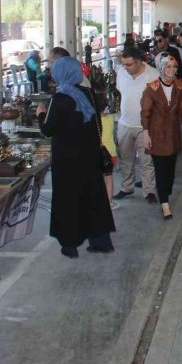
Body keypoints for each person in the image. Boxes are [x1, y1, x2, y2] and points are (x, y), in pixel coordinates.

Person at [36, 57, 115, 257]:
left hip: (67, 160)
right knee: (93, 197)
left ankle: (70, 244)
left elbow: (48, 129)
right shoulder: (88, 94)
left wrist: (40, 114)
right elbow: (95, 121)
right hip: (89, 156)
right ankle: (100, 240)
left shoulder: (59, 99)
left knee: (68, 199)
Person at [140, 54, 182, 220]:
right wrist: (146, 134)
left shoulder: (180, 86)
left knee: (170, 170)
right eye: (168, 67)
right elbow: (145, 114)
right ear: (161, 69)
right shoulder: (152, 88)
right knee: (160, 170)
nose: (171, 70)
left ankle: (165, 192)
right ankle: (165, 204)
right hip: (156, 134)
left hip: (173, 134)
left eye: (174, 67)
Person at [113, 48, 160, 204]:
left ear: (139, 62)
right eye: (124, 64)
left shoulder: (153, 75)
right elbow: (121, 92)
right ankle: (127, 187)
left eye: (129, 64)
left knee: (147, 160)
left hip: (145, 126)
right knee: (126, 158)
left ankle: (149, 191)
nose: (125, 67)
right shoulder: (121, 73)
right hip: (125, 123)